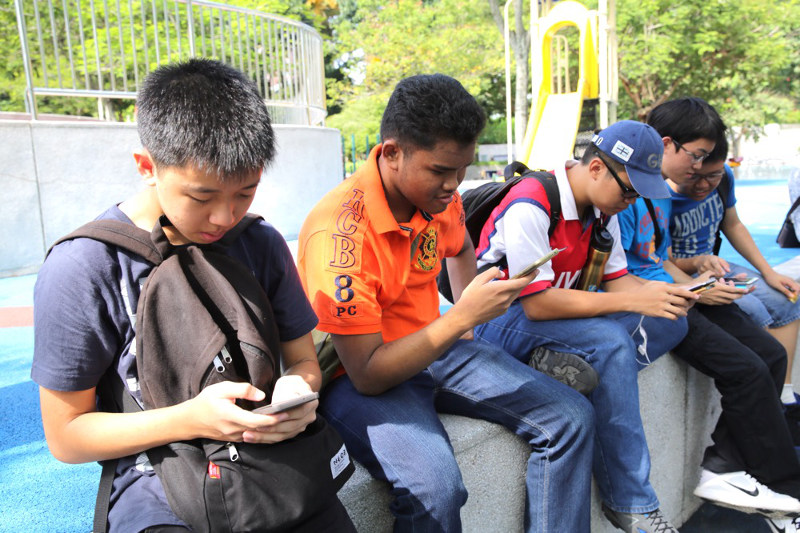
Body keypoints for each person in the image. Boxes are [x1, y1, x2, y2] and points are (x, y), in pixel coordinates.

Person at [31, 59, 353, 532]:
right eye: (201, 197)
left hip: (271, 468)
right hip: (160, 483)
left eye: (245, 193)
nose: (224, 217)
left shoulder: (259, 243)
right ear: (147, 166)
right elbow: (67, 436)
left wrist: (297, 391)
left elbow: (303, 362)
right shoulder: (85, 266)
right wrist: (190, 420)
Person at [298, 73, 595, 532]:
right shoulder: (339, 235)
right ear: (392, 153)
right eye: (441, 171)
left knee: (571, 417)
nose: (454, 185)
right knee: (434, 487)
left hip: (440, 348)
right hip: (359, 376)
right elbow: (369, 374)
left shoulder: (439, 197)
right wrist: (461, 318)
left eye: (462, 171)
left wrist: (468, 323)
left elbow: (459, 246)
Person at [472, 119, 691, 533]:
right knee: (610, 344)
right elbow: (536, 304)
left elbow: (618, 280)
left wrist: (667, 295)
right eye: (630, 190)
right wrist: (633, 299)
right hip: (500, 320)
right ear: (595, 169)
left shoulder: (602, 209)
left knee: (673, 322)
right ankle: (632, 503)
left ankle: (558, 365)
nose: (632, 201)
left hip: (558, 318)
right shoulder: (532, 203)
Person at [618, 122, 800, 531]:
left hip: (680, 291)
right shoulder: (623, 197)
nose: (700, 174)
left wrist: (697, 272)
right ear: (667, 145)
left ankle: (730, 467)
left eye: (710, 168)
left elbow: (657, 259)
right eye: (696, 158)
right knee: (748, 369)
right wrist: (692, 292)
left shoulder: (656, 191)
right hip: (661, 305)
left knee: (770, 355)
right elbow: (618, 277)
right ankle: (785, 494)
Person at [656, 98, 800, 405]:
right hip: (684, 274)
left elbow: (733, 225)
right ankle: (765, 398)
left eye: (714, 175)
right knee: (756, 315)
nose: (703, 183)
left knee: (787, 301)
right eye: (695, 173)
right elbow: (660, 262)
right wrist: (698, 284)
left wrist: (769, 272)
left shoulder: (723, 179)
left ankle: (784, 399)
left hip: (716, 268)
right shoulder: (659, 196)